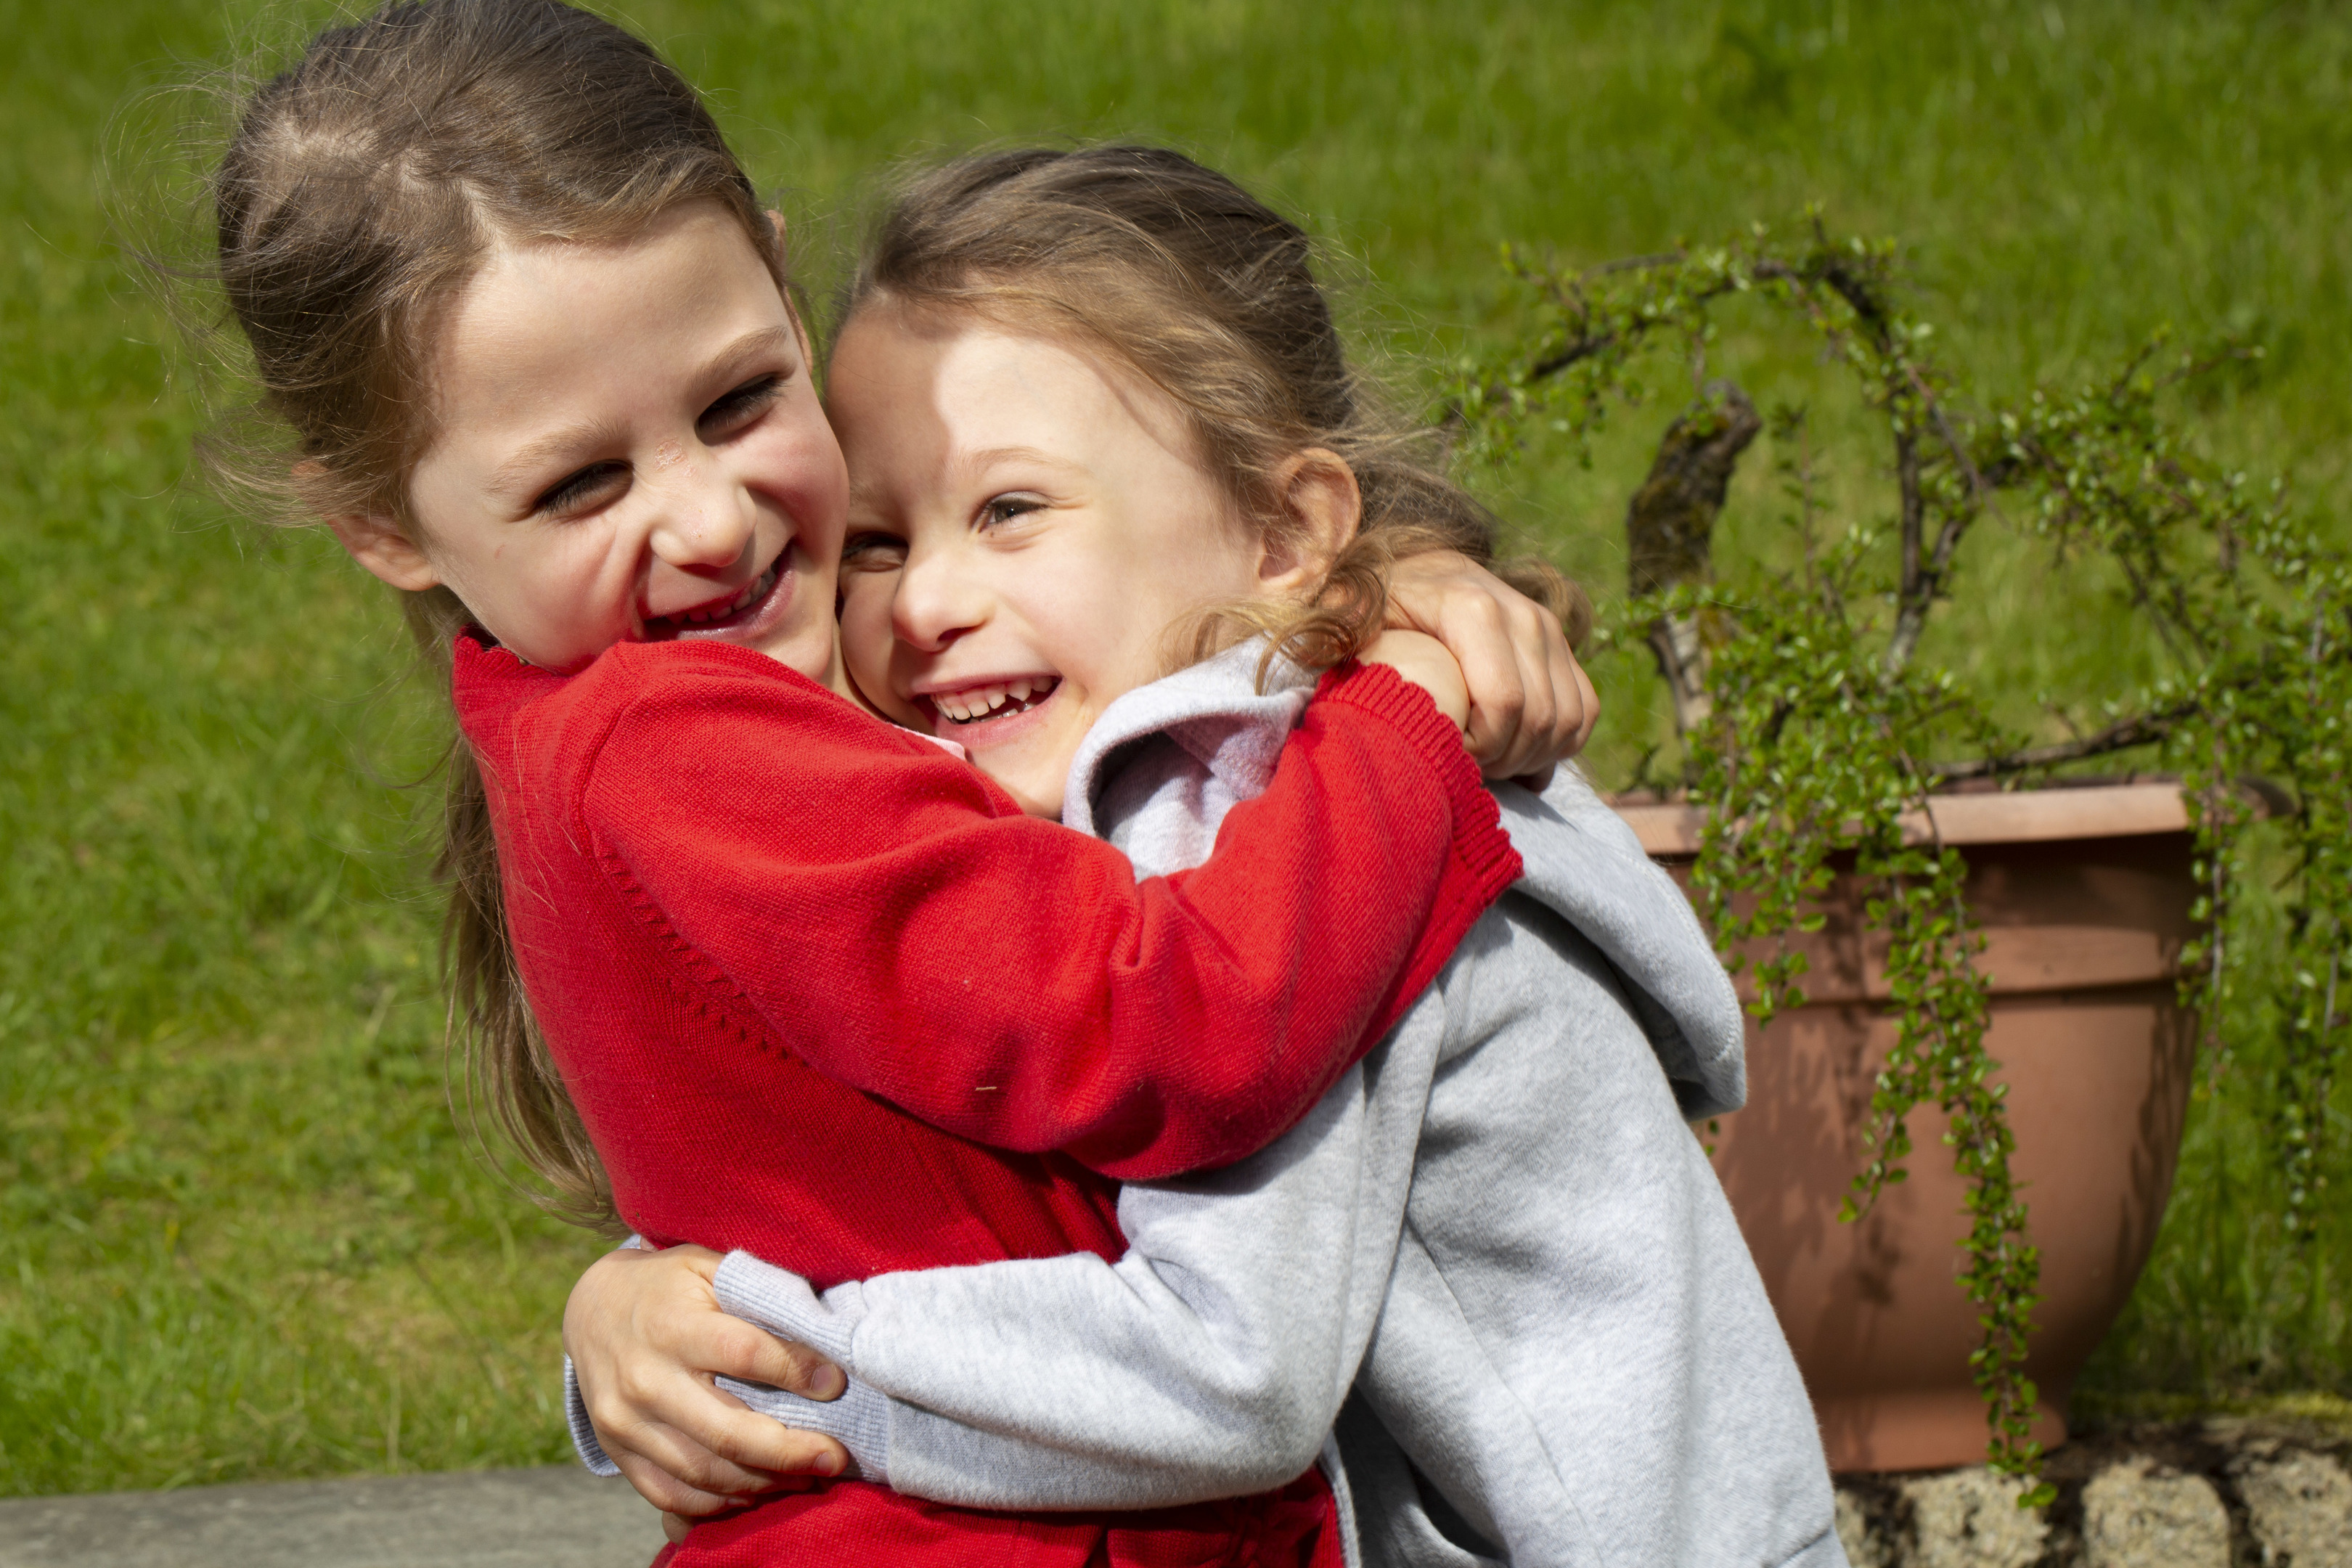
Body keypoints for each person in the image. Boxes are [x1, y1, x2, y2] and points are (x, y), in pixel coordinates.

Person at [200, 4, 1591, 1564]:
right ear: (381, 524)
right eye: (582, 483)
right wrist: (1394, 717)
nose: (710, 522)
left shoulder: (641, 687)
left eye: (737, 403)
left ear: (788, 296)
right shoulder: (688, 749)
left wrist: (1382, 583)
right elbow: (1169, 1027)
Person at [563, 148, 1847, 1568]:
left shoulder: (1269, 837)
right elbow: (955, 1189)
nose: (927, 601)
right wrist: (631, 1300)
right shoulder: (1160, 796)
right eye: (875, 539)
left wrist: (754, 1342)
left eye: (1010, 511)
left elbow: (1223, 1370)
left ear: (1284, 532)